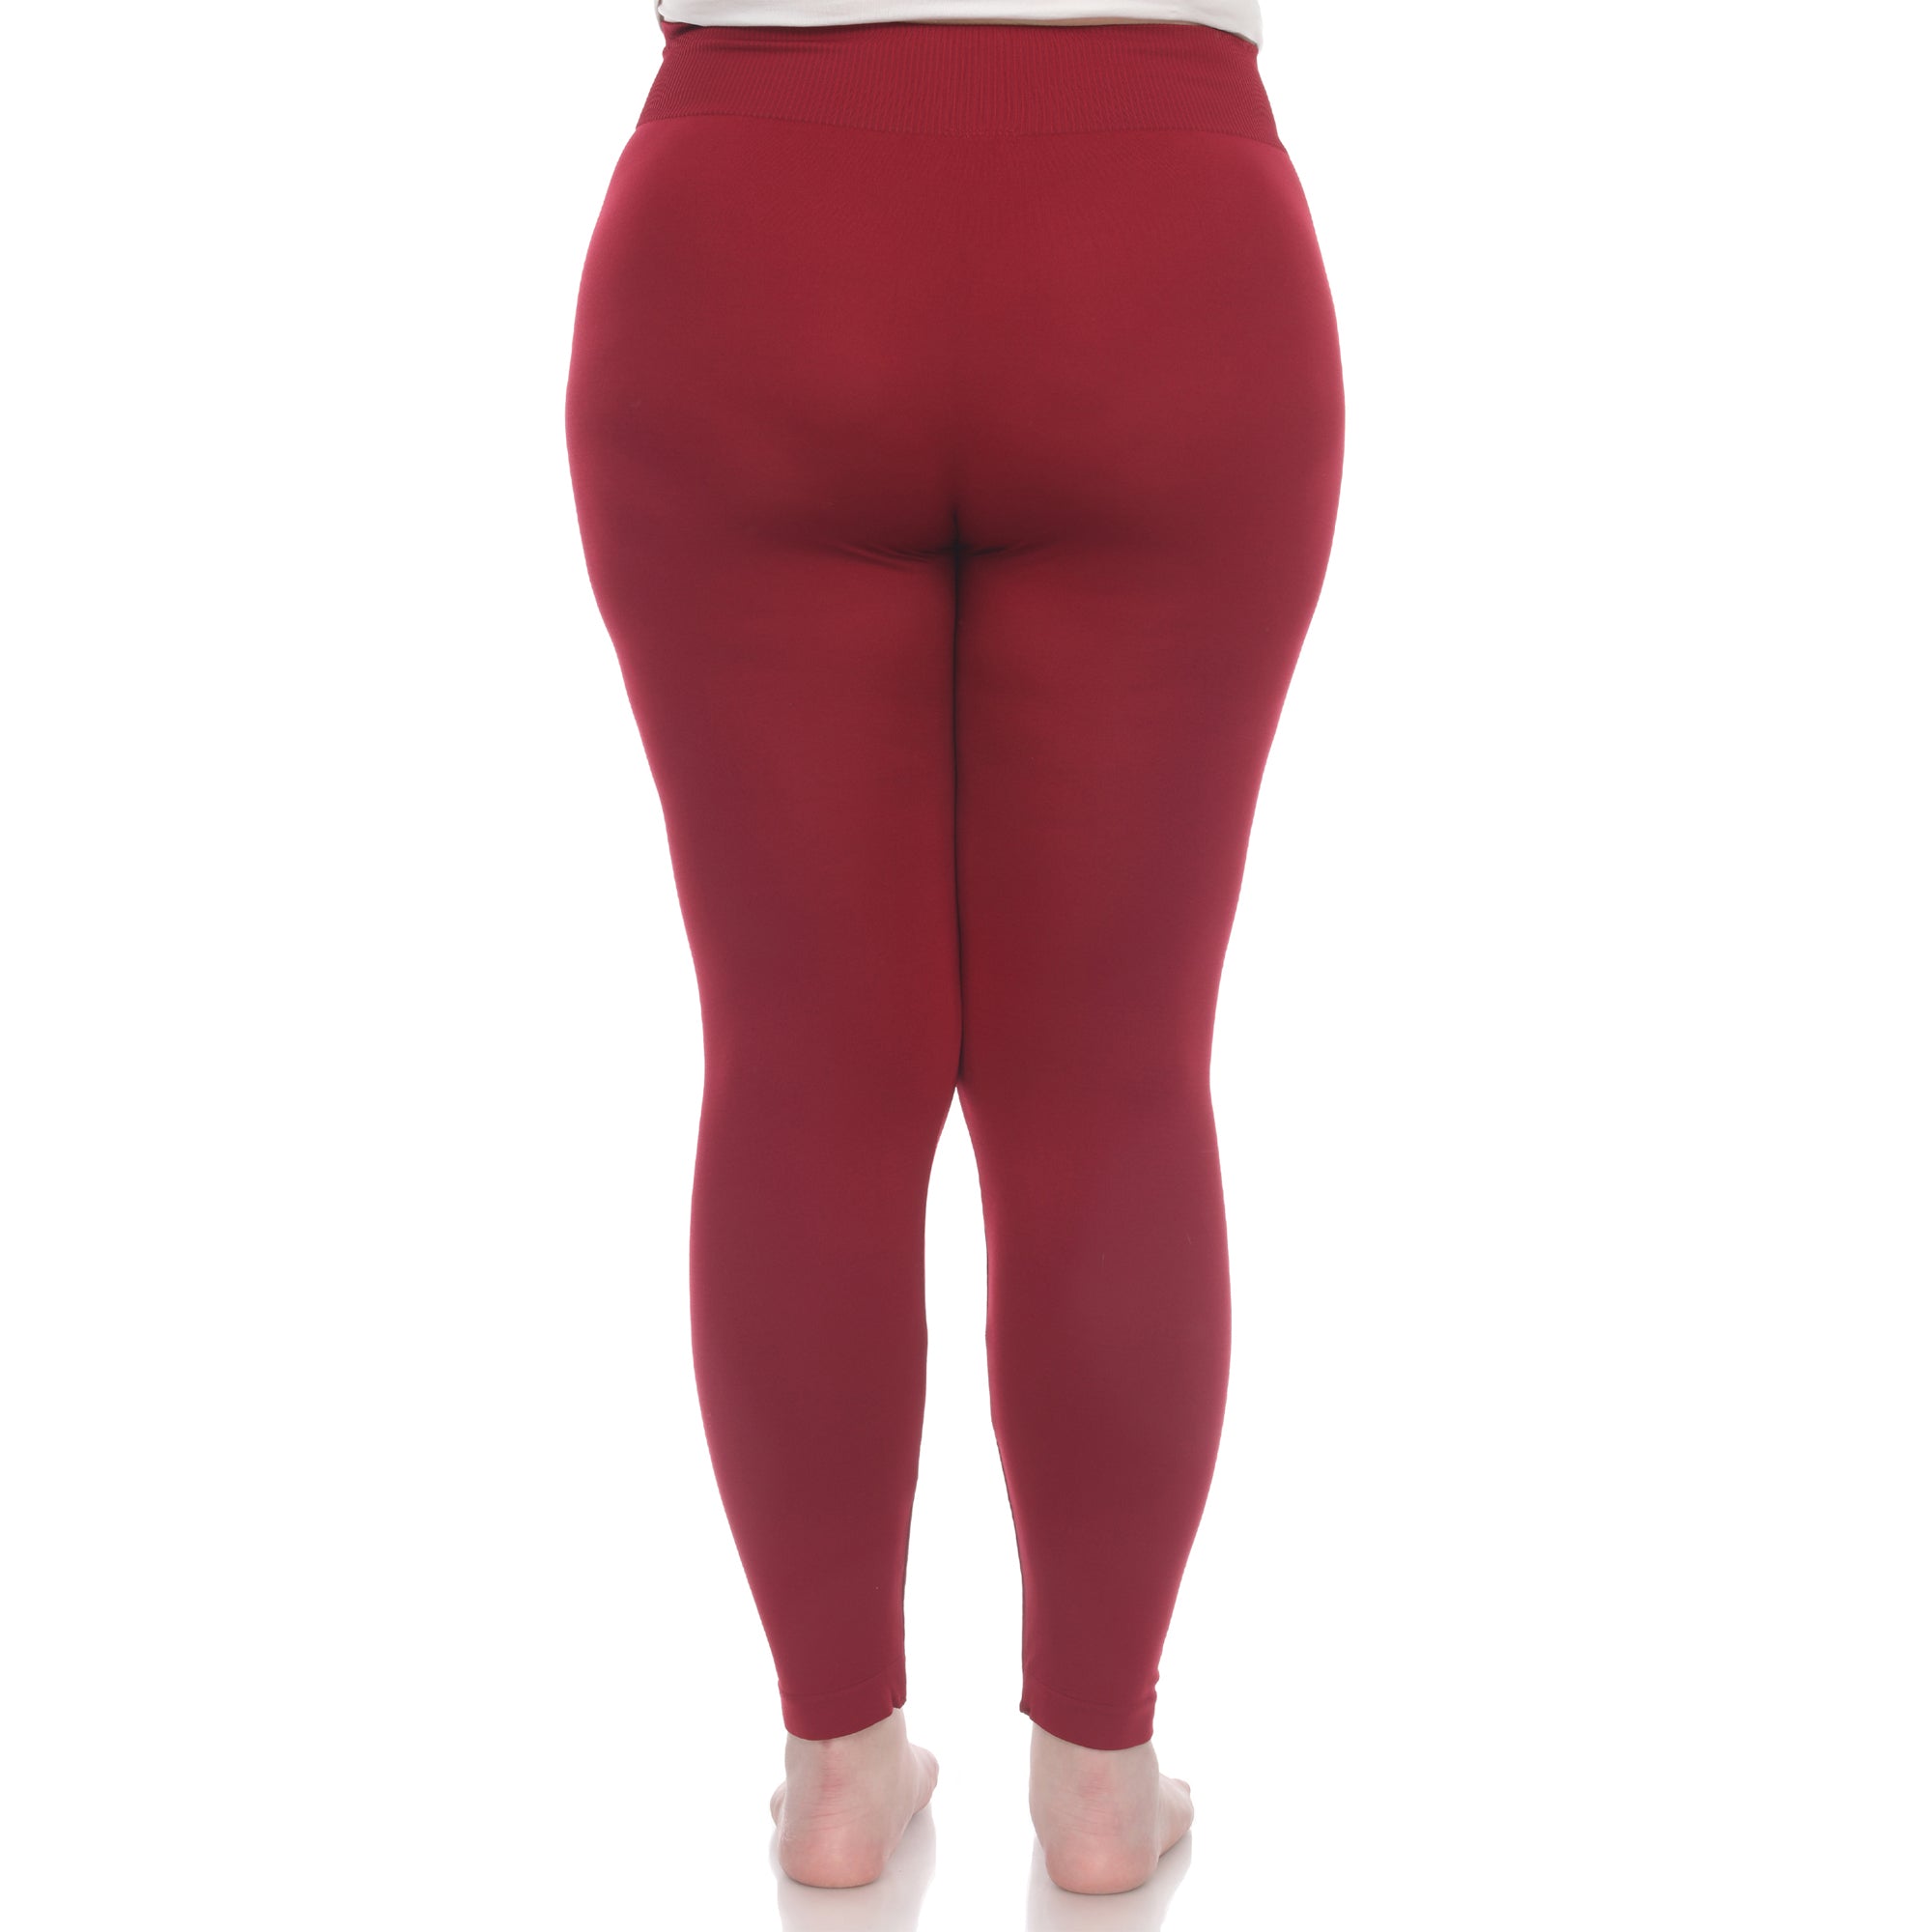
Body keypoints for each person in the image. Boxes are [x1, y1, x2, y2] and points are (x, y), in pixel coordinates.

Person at [564, 0, 1343, 1895]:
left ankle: (839, 1771)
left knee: (799, 1075)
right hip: (1163, 240)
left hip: (748, 237)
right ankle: (1099, 1783)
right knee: (1117, 1079)